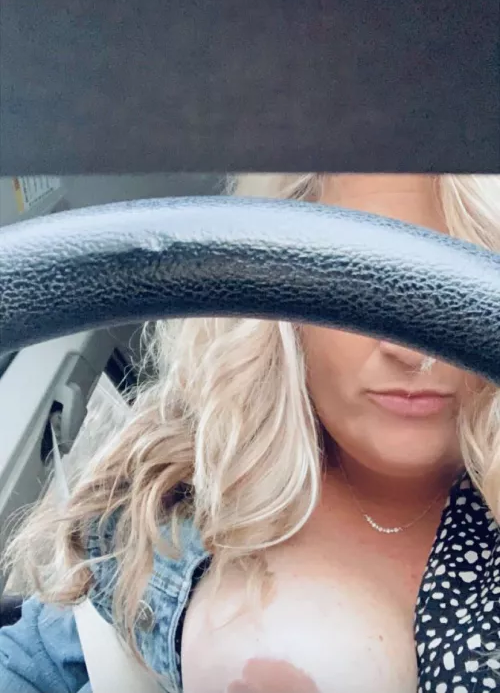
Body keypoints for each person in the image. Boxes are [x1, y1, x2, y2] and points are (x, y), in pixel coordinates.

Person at [1, 173, 500, 693]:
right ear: (282, 305)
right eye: (366, 284)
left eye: (458, 291)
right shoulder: (183, 487)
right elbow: (37, 659)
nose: (412, 351)